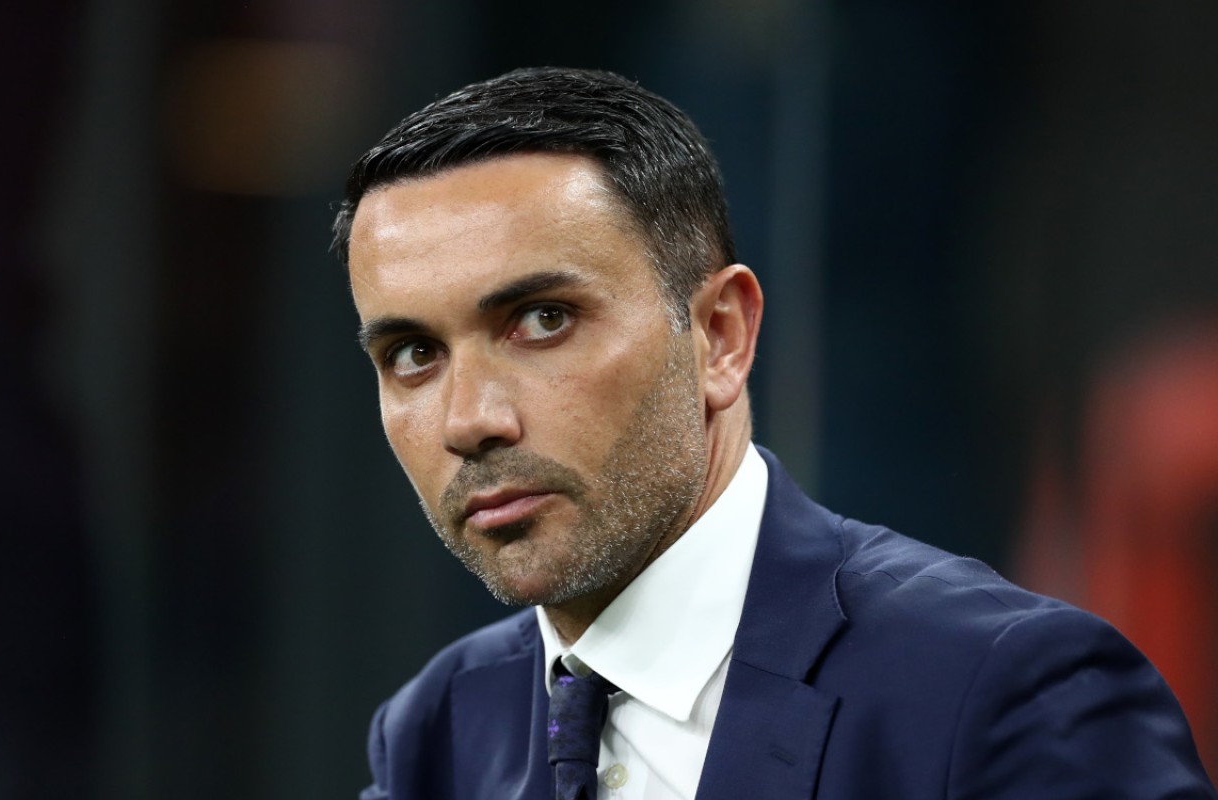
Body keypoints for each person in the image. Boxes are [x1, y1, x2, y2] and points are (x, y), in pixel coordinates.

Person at [330, 66, 1215, 800]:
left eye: (544, 320)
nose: (470, 420)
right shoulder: (435, 732)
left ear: (720, 336)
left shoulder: (1007, 691)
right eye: (412, 353)